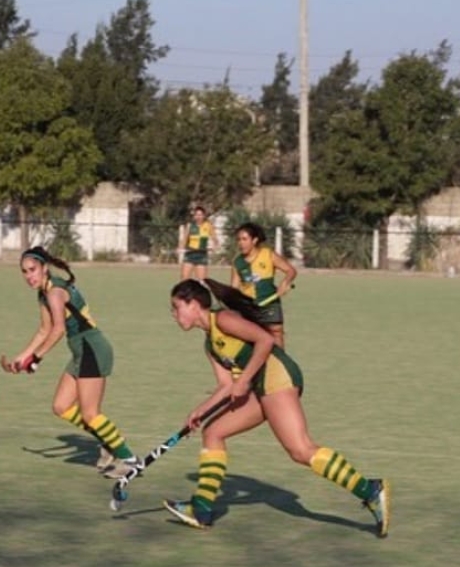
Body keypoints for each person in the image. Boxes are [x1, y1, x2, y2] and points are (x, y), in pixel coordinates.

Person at [162, 278, 391, 537]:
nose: (173, 314)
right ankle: (201, 508)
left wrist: (245, 379)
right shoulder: (210, 344)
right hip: (261, 386)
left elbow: (265, 341)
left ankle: (371, 490)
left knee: (300, 449)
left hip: (276, 376)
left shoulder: (223, 320)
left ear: (193, 304)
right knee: (213, 432)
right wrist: (199, 411)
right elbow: (226, 385)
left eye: (176, 306)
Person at [3, 246, 141, 477]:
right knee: (61, 406)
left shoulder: (55, 292)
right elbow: (43, 330)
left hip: (92, 348)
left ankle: (129, 458)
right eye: (25, 272)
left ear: (44, 268)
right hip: (80, 351)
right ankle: (109, 443)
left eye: (33, 270)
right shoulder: (43, 293)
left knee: (90, 414)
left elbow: (57, 330)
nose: (29, 276)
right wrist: (22, 357)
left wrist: (36, 358)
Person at [230, 222, 298, 348]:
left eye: (245, 239)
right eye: (239, 239)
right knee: (252, 340)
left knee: (276, 334)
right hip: (250, 307)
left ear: (254, 240)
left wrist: (284, 283)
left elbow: (291, 271)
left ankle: (281, 364)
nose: (241, 243)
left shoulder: (268, 254)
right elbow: (233, 290)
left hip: (270, 303)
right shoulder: (237, 263)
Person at [179, 206, 214, 281]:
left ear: (204, 216)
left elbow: (215, 240)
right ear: (194, 216)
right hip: (190, 254)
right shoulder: (190, 226)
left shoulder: (208, 226)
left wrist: (214, 246)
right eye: (196, 215)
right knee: (184, 280)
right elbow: (184, 240)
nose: (198, 217)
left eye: (200, 215)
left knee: (202, 282)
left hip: (202, 255)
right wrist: (180, 248)